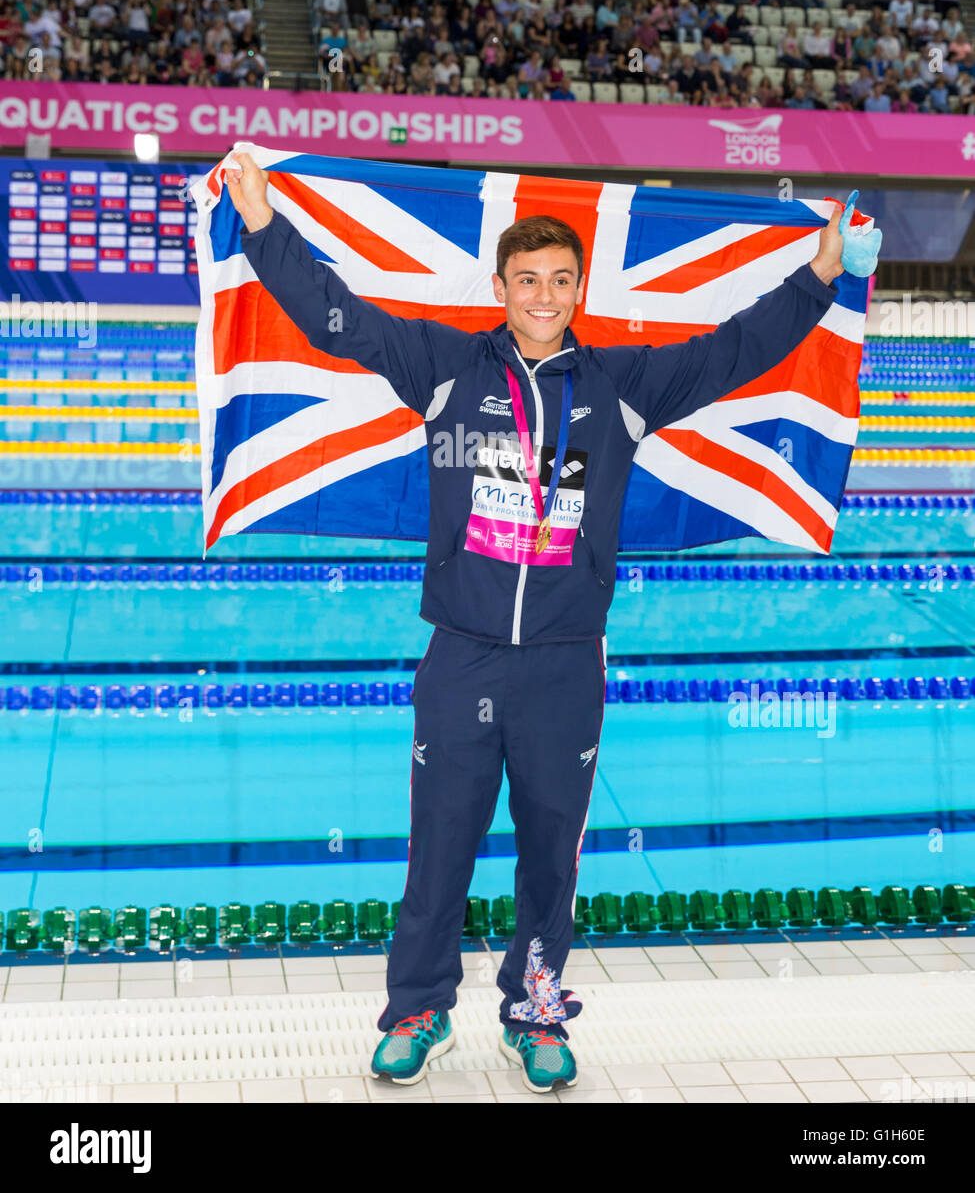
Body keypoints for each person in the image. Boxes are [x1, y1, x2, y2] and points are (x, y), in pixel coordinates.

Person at [225, 149, 876, 1095]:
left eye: (560, 280)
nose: (542, 294)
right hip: (462, 653)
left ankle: (533, 1014)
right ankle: (417, 1007)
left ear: (579, 290)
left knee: (548, 852)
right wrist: (259, 223)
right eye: (526, 279)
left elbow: (738, 347)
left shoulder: (622, 386)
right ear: (499, 287)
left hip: (566, 663)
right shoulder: (446, 367)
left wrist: (820, 272)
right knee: (438, 839)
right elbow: (339, 319)